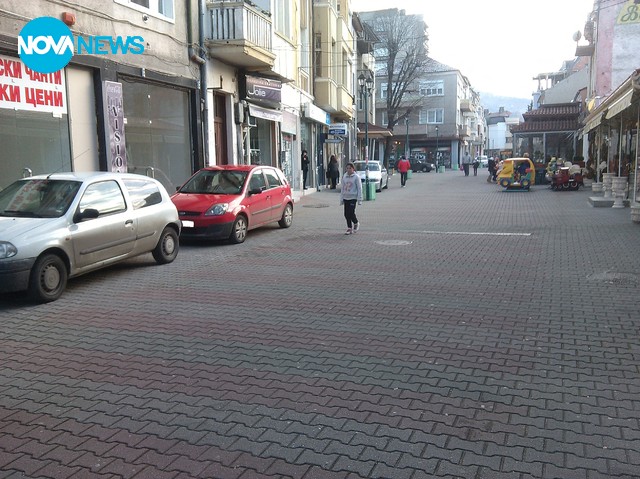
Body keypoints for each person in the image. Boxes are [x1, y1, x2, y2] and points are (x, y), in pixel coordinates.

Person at [339, 162, 363, 235]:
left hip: (353, 197)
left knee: (351, 212)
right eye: (347, 168)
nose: (348, 170)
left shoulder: (356, 177)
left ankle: (356, 222)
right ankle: (349, 228)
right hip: (346, 197)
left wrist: (359, 199)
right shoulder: (344, 176)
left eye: (350, 168)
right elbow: (342, 188)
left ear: (353, 169)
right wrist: (341, 198)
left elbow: (359, 188)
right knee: (346, 214)